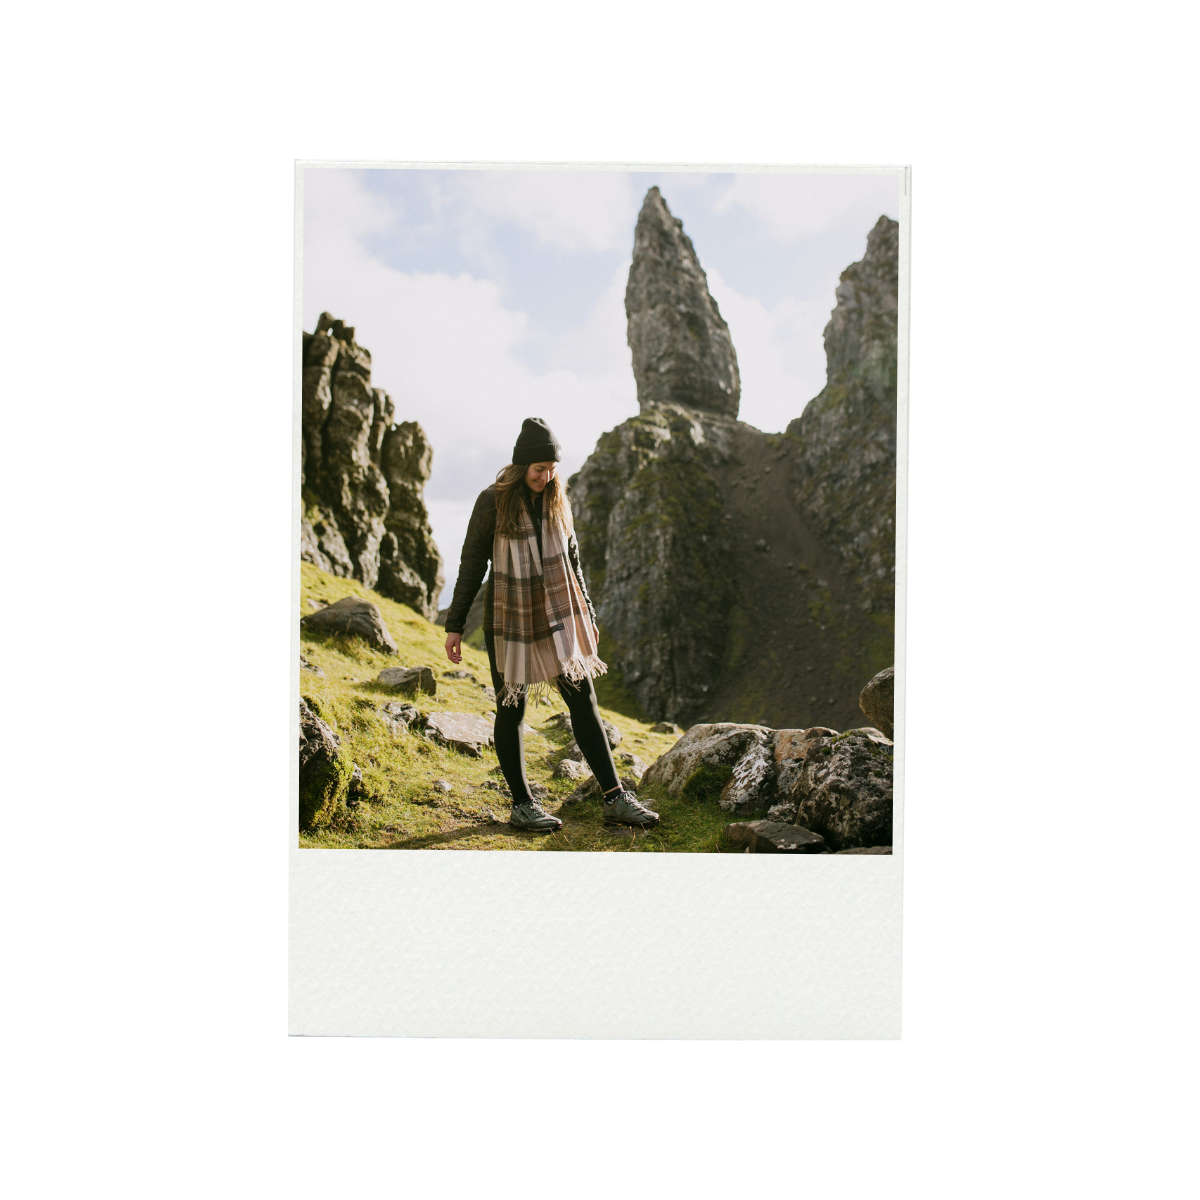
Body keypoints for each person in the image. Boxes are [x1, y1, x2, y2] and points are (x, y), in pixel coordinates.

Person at [443, 417, 660, 833]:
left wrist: (589, 617)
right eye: (539, 469)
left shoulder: (558, 499)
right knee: (513, 707)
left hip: (560, 616)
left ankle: (615, 798)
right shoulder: (492, 501)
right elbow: (472, 563)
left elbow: (573, 562)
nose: (547, 476)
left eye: (551, 469)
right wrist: (455, 624)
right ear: (521, 466)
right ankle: (523, 805)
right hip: (510, 621)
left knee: (585, 700)